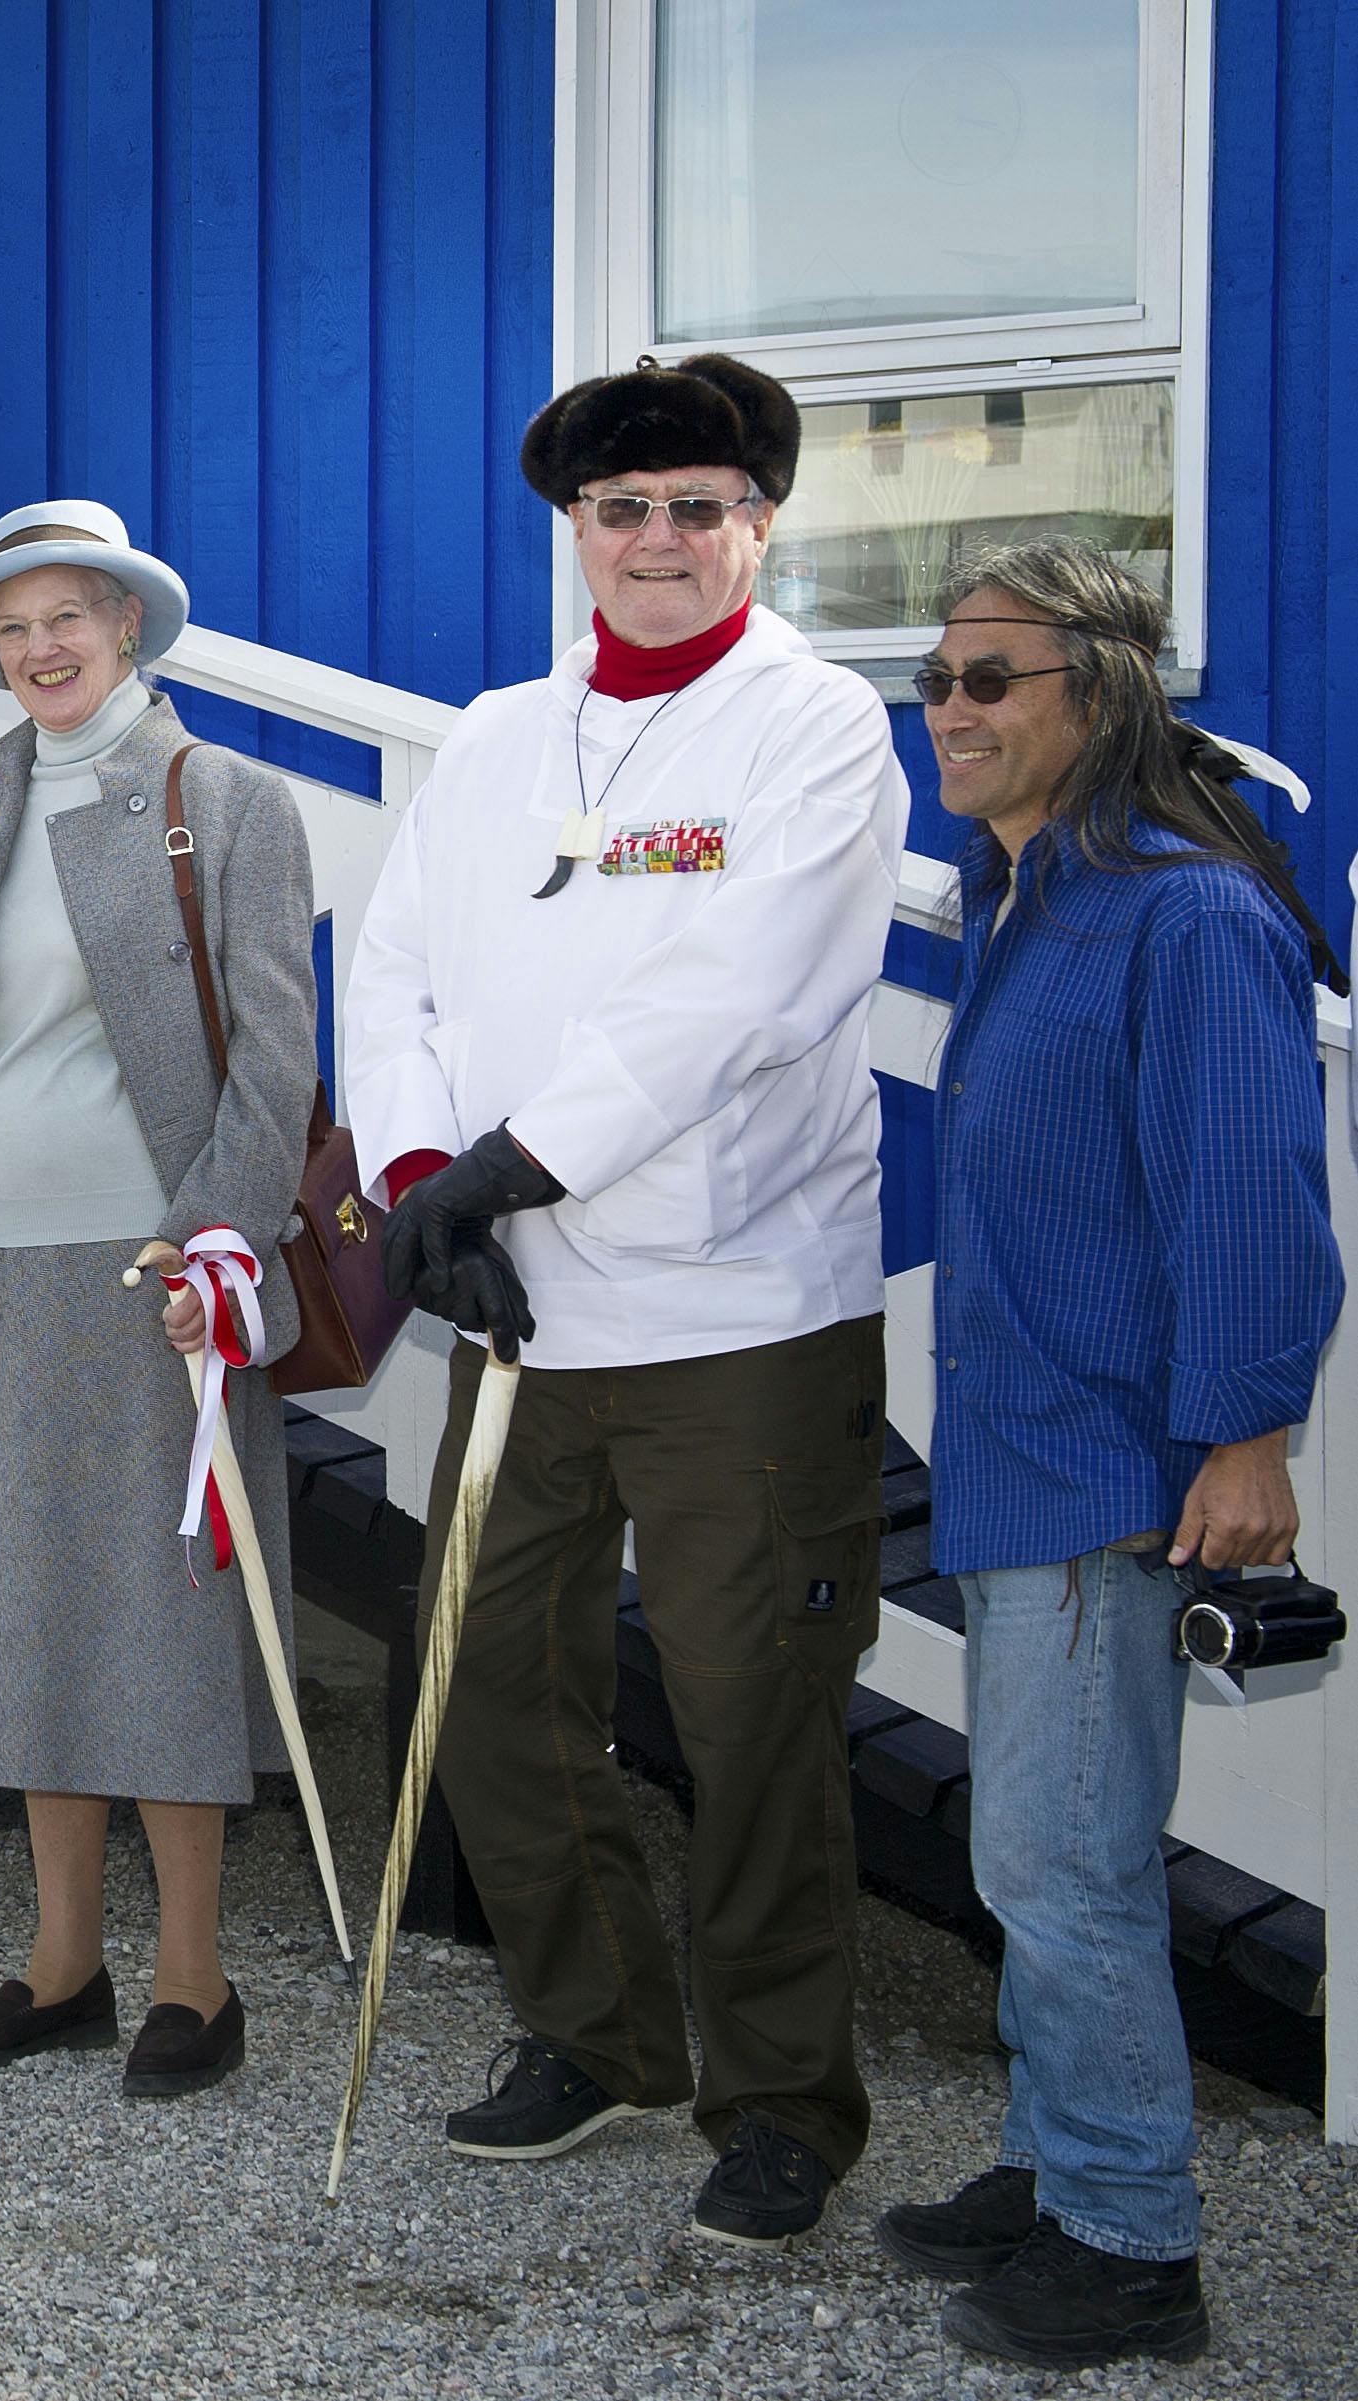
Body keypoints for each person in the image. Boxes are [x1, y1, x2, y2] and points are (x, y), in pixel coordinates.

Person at [340, 353, 910, 2248]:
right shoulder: (496, 733)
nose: (654, 541)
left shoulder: (812, 728)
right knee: (488, 1683)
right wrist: (421, 1182)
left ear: (755, 522)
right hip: (513, 1304)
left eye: (693, 507)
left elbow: (735, 992)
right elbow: (395, 966)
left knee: (752, 1718)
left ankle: (775, 2103)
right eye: (617, 511)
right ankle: (594, 2031)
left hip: (734, 1307)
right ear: (570, 530)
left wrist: (515, 1163)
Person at [872, 542, 1343, 2368]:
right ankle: (1051, 2152)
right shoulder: (1024, 900)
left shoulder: (1182, 914)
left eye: (988, 679)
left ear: (1101, 696)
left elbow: (1248, 1196)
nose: (947, 710)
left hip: (1112, 1465)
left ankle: (1129, 2238)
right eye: (933, 679)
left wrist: (1243, 1432)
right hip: (1017, 1445)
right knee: (1042, 1843)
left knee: (1056, 1865)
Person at [0, 501, 316, 2098]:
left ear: (128, 628)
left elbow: (275, 1049)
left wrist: (217, 1242)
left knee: (163, 1618)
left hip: (154, 1277)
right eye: (15, 627)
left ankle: (195, 1977)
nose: (42, 647)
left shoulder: (227, 799)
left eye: (70, 616)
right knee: (26, 1614)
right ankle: (61, 1959)